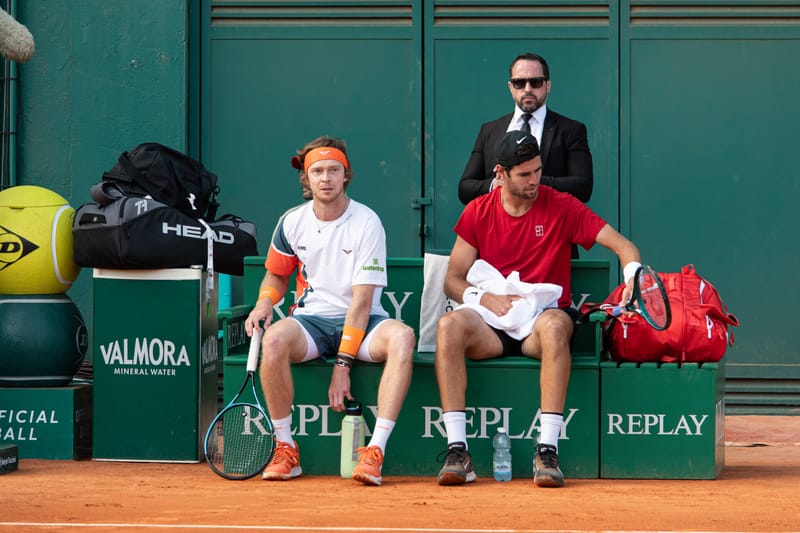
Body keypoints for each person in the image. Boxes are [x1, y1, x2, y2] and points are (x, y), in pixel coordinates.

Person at [435, 130, 640, 488]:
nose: (534, 180)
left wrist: (633, 277)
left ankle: (547, 451)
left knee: (556, 326)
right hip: (491, 326)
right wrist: (485, 299)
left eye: (538, 170)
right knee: (448, 326)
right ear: (501, 173)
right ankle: (458, 452)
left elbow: (624, 247)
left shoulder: (563, 205)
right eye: (525, 174)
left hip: (540, 324)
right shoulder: (478, 211)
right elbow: (452, 279)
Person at [244, 135, 415, 486]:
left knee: (403, 337)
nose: (326, 178)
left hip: (365, 321)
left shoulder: (367, 222)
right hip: (310, 321)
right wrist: (265, 301)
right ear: (306, 178)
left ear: (346, 175)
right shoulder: (291, 221)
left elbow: (362, 302)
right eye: (318, 171)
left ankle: (375, 451)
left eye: (333, 170)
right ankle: (285, 448)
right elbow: (277, 273)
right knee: (273, 340)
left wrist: (342, 365)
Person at [458, 53, 593, 258]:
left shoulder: (570, 130)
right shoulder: (490, 130)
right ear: (510, 87)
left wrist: (522, 182)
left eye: (535, 82)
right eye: (519, 83)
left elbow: (582, 187)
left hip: (551, 247)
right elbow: (465, 188)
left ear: (548, 85)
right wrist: (495, 185)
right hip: (496, 246)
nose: (527, 89)